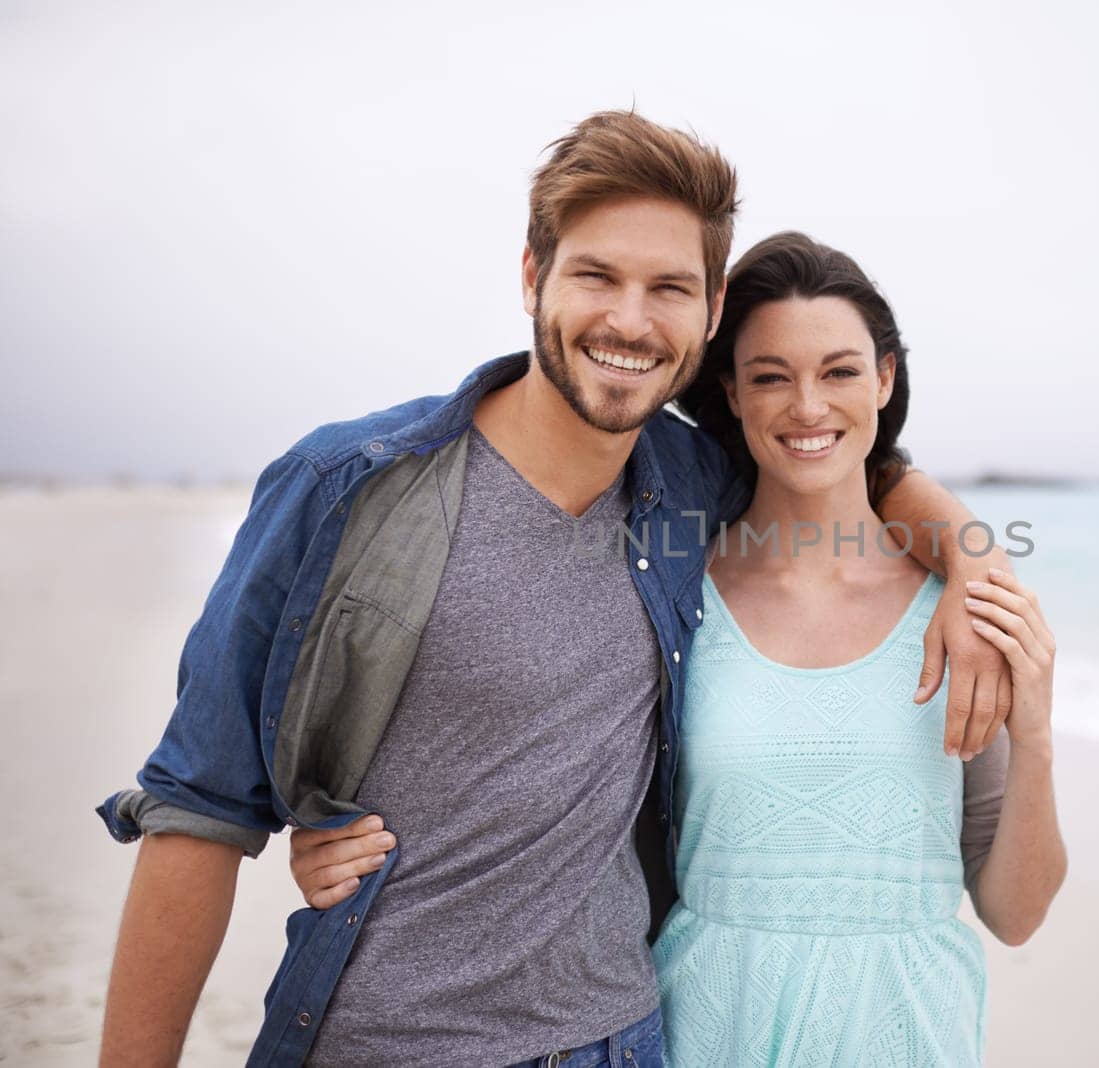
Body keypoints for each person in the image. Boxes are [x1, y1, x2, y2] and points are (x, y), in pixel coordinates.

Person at [95, 112, 1017, 1068]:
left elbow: (851, 469)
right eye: (596, 276)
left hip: (619, 1040)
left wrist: (976, 565)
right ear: (533, 277)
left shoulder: (690, 486)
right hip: (380, 1042)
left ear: (708, 318)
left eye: (670, 288)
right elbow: (199, 810)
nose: (629, 319)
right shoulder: (347, 488)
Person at [291, 233, 1068, 1064]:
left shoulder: (960, 612)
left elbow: (1014, 915)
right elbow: (541, 767)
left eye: (840, 372)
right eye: (771, 376)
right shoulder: (672, 595)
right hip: (705, 1025)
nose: (808, 407)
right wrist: (354, 840)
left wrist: (1037, 738)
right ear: (730, 393)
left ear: (883, 379)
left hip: (913, 1028)